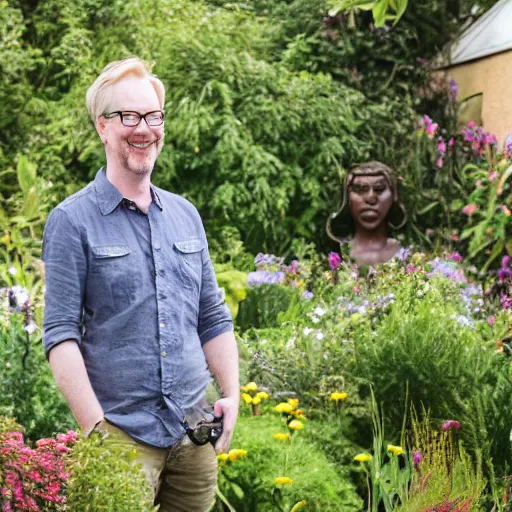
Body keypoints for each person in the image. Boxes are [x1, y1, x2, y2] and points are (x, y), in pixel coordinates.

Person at [42, 57, 239, 511]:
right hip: (121, 440)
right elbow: (60, 335)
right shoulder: (72, 221)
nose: (144, 128)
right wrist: (96, 430)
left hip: (194, 435)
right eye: (128, 116)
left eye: (153, 116)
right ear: (103, 127)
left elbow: (212, 316)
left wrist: (230, 395)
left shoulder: (185, 215)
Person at [326, 161, 407, 266]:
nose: (371, 198)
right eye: (359, 189)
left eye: (379, 189)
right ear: (346, 198)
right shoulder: (338, 256)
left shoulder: (406, 253)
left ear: (394, 196)